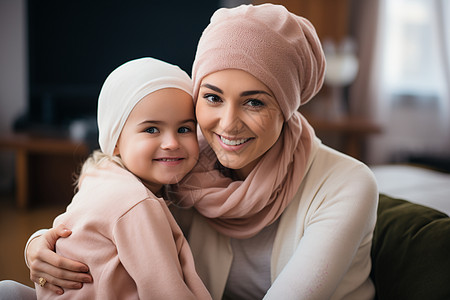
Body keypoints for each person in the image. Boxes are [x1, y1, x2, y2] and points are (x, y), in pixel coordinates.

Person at [20, 3, 378, 299]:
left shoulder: (347, 184)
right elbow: (109, 197)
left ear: (286, 109)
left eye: (254, 102)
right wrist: (43, 244)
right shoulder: (188, 161)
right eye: (212, 97)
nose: (227, 124)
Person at [1, 57, 211, 299]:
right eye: (151, 129)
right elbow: (166, 293)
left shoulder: (100, 175)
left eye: (184, 129)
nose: (172, 143)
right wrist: (35, 243)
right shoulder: (136, 203)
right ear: (116, 141)